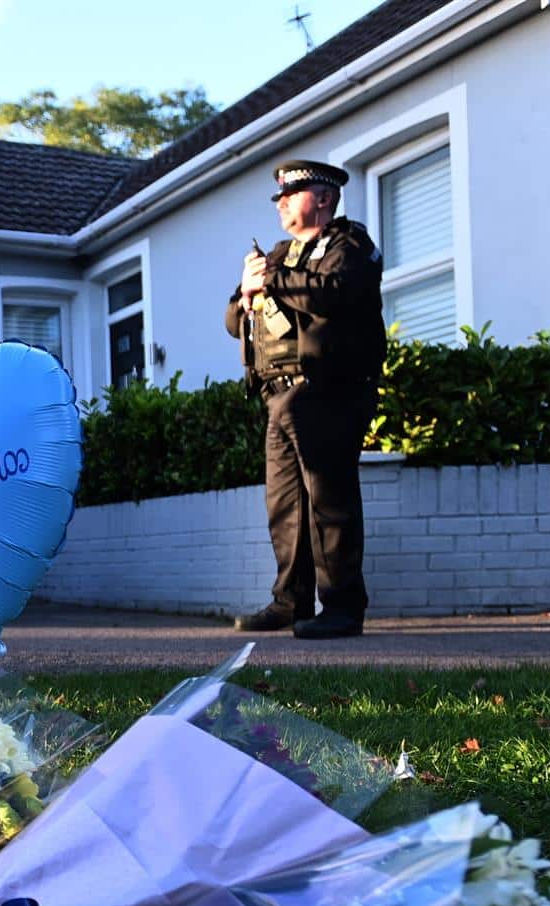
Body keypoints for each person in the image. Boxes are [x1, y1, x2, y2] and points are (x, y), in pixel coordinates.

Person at [226, 159, 385, 641]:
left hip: (327, 389)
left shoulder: (350, 244)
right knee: (285, 505)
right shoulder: (280, 255)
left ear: (323, 198)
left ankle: (342, 605)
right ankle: (290, 601)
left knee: (329, 499)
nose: (281, 204)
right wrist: (247, 292)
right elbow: (235, 321)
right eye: (279, 197)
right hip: (278, 394)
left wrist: (269, 278)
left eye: (290, 195)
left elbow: (333, 292)